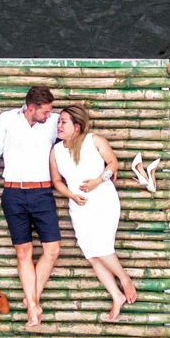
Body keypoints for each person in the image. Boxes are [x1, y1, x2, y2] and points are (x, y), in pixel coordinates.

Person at [49, 104, 138, 323]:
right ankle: (116, 296)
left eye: (63, 122)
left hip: (103, 199)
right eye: (58, 121)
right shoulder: (56, 151)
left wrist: (98, 181)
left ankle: (124, 278)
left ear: (76, 126)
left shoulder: (94, 140)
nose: (58, 125)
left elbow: (113, 163)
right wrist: (72, 195)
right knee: (91, 253)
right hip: (78, 206)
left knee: (101, 246)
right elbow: (57, 181)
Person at [0, 85, 61, 328]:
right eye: (45, 111)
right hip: (13, 193)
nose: (49, 115)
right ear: (31, 108)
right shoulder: (6, 120)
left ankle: (31, 299)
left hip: (42, 192)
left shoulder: (55, 121)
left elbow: (77, 135)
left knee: (53, 250)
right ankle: (33, 309)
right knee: (23, 253)